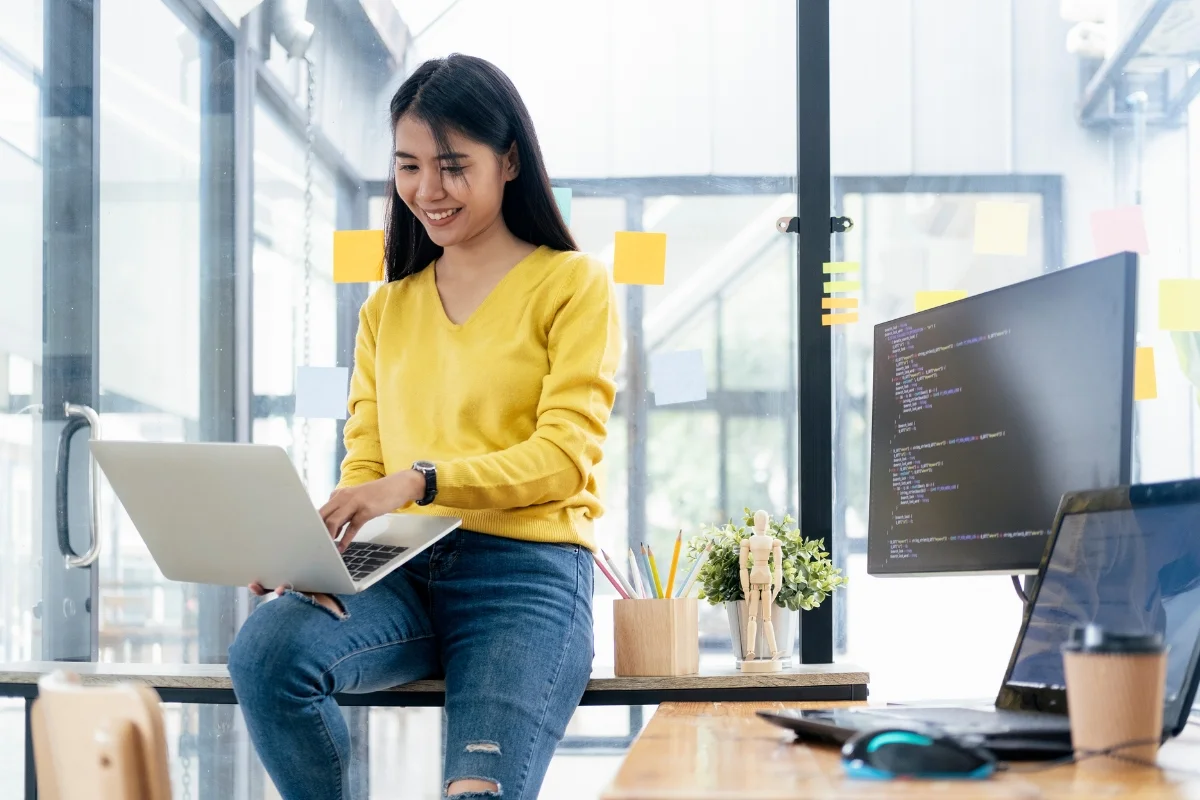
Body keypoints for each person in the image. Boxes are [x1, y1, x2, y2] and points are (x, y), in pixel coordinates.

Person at [227, 53, 621, 800]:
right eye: (409, 166)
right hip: (397, 565)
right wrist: (321, 556)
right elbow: (365, 460)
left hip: (524, 576)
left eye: (451, 165)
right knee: (268, 651)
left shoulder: (573, 285)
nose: (427, 191)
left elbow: (564, 456)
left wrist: (421, 479)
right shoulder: (387, 309)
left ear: (509, 161)